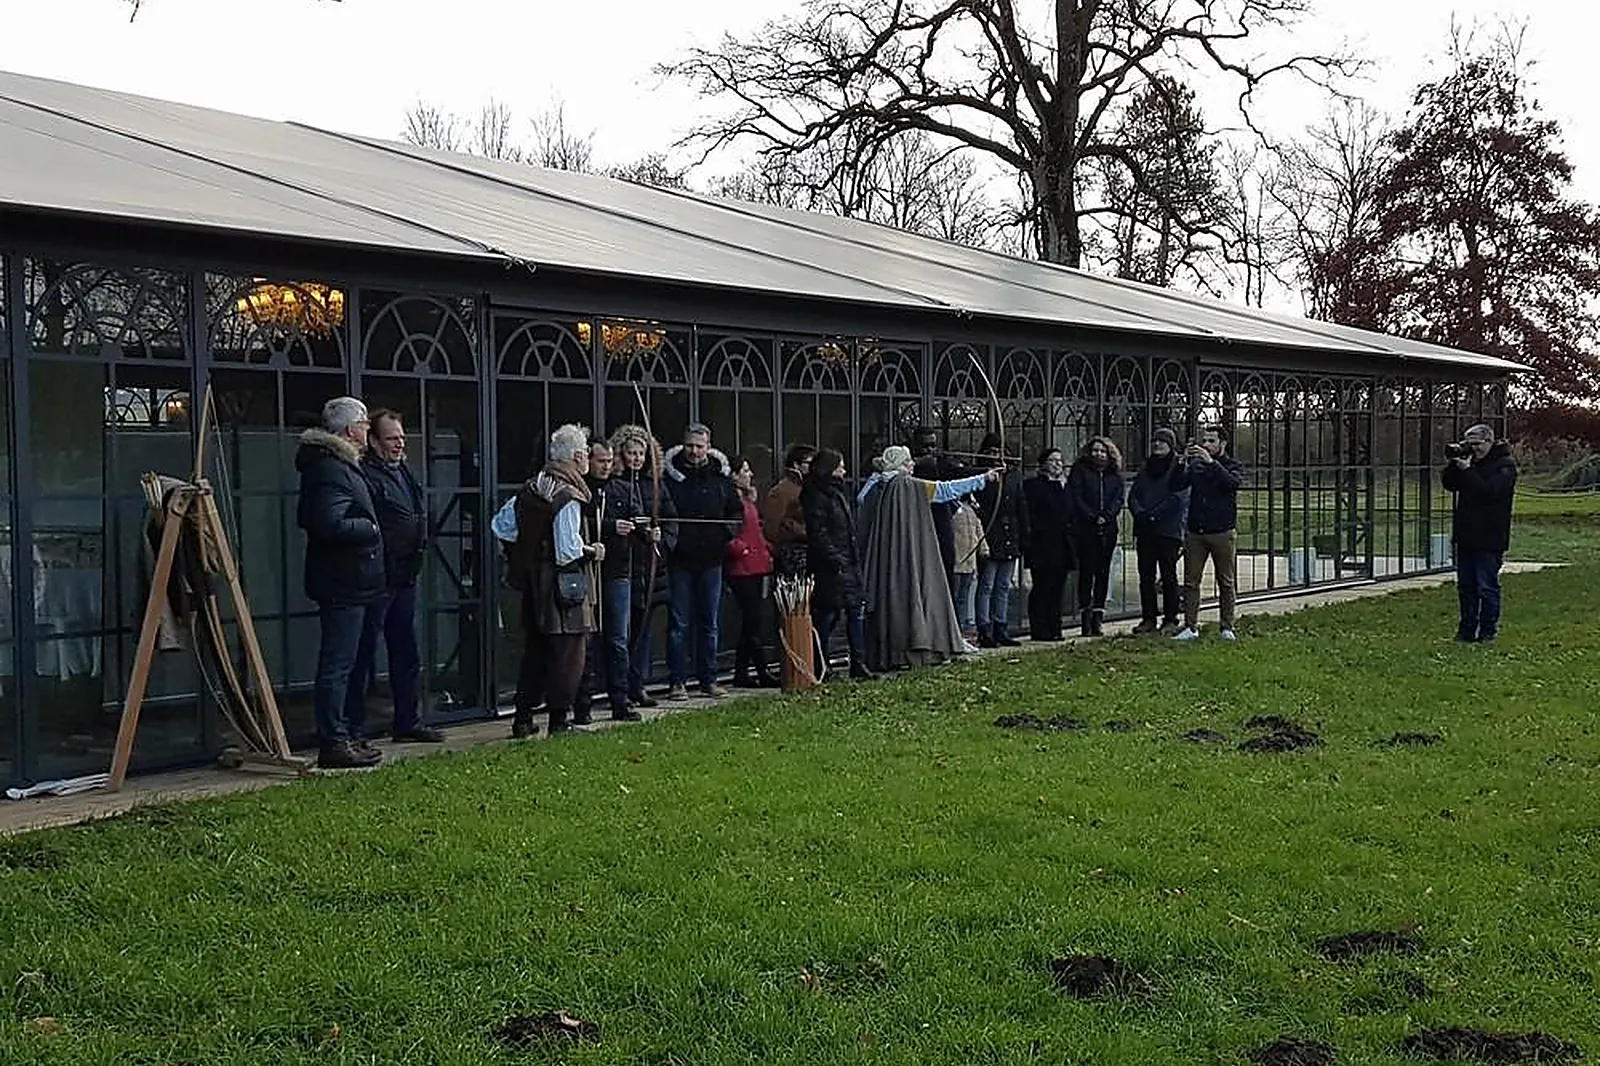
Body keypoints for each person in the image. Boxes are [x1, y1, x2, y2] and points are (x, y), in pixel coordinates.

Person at [295, 396, 384, 769]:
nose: (367, 430)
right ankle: (333, 739)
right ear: (350, 430)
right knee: (338, 663)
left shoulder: (340, 464)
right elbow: (325, 523)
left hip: (353, 578)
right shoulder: (330, 468)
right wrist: (371, 528)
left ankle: (346, 734)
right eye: (364, 424)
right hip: (342, 580)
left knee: (349, 662)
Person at [347, 409, 444, 746]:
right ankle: (353, 729)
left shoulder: (403, 470)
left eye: (402, 437)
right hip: (379, 578)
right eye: (391, 438)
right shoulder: (365, 475)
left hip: (406, 575)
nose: (399, 444)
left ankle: (408, 721)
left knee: (407, 653)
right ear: (373, 441)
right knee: (363, 653)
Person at [857, 445, 999, 671]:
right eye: (908, 462)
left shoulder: (879, 484)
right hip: (905, 559)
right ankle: (911, 650)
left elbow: (862, 499)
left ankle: (889, 654)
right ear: (901, 465)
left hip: (887, 560)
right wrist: (982, 478)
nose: (912, 465)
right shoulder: (905, 485)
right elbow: (944, 490)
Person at [504, 424, 604, 735]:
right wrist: (593, 550)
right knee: (568, 653)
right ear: (577, 456)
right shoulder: (567, 492)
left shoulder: (533, 486)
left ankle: (522, 718)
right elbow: (567, 550)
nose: (587, 458)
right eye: (586, 453)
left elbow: (503, 527)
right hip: (563, 586)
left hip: (535, 582)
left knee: (535, 650)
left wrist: (530, 553)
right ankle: (559, 721)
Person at [661, 423, 743, 700]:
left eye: (699, 446)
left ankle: (709, 679)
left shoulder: (721, 478)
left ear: (708, 447)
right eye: (690, 446)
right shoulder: (670, 476)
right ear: (683, 445)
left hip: (712, 559)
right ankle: (677, 682)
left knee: (709, 623)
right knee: (679, 624)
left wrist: (724, 535)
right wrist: (673, 541)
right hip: (681, 560)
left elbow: (735, 511)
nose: (694, 452)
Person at [597, 424, 667, 718]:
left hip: (634, 568)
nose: (636, 458)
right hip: (608, 566)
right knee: (609, 636)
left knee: (629, 634)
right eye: (630, 453)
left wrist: (651, 535)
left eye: (642, 453)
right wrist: (613, 528)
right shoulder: (605, 486)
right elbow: (593, 521)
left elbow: (645, 521)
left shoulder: (645, 486)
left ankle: (626, 693)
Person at [1441, 423, 1518, 643]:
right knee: (1466, 587)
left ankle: (1487, 632)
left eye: (1477, 444)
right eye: (1469, 444)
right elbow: (1449, 484)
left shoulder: (1504, 466)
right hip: (1466, 534)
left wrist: (1469, 471)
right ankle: (1466, 631)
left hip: (1490, 536)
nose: (1473, 449)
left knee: (1486, 586)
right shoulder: (1470, 463)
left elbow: (1489, 493)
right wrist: (1455, 466)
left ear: (1489, 441)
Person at [801, 448, 872, 680]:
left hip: (846, 560)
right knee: (827, 616)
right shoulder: (816, 495)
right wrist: (836, 560)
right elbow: (818, 533)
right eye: (840, 466)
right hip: (830, 566)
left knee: (855, 612)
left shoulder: (837, 493)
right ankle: (821, 664)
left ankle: (858, 663)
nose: (844, 471)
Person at [1174, 426, 1245, 642]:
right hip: (1196, 532)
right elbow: (1176, 484)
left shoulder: (1231, 466)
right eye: (1204, 440)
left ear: (1223, 444)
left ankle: (1226, 626)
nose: (1206, 445)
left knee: (1225, 581)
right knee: (1191, 582)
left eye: (1211, 441)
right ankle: (1190, 626)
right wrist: (1182, 463)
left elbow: (1232, 484)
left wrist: (1212, 463)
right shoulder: (1196, 466)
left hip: (1222, 531)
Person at [1128, 428, 1190, 634]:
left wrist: (1155, 515)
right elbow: (1133, 495)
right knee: (1145, 576)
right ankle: (1148, 618)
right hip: (1145, 530)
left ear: (1171, 445)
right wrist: (1140, 513)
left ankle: (1170, 618)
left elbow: (1179, 498)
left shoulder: (1178, 469)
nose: (1157, 445)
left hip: (1167, 531)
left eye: (1162, 442)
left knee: (1168, 575)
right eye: (1154, 441)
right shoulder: (1145, 469)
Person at [572, 439, 615, 725]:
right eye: (600, 460)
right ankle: (578, 704)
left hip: (611, 570)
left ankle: (613, 696)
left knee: (609, 637)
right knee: (581, 641)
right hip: (580, 574)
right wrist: (591, 548)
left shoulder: (612, 489)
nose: (605, 467)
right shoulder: (575, 493)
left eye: (610, 462)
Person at [727, 455, 778, 687]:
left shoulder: (748, 499)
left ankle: (743, 671)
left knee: (753, 621)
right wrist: (743, 550)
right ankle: (759, 668)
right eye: (745, 471)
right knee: (752, 619)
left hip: (757, 564)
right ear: (734, 475)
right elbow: (728, 531)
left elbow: (754, 529)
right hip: (742, 567)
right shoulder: (731, 500)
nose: (750, 475)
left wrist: (767, 549)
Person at [973, 432, 1028, 647]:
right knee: (987, 584)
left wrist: (1023, 536)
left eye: (1001, 452)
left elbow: (1020, 506)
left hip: (1009, 533)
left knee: (1003, 584)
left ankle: (1001, 626)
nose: (997, 457)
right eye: (992, 452)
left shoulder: (1013, 475)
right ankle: (983, 629)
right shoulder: (981, 474)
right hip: (989, 532)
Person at [1067, 436, 1126, 636]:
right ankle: (1085, 615)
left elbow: (1118, 499)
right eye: (1095, 451)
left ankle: (1098, 617)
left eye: (1102, 451)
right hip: (1086, 529)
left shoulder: (1114, 475)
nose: (1098, 454)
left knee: (1103, 573)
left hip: (1107, 530)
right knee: (1086, 573)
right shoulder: (1080, 471)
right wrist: (1092, 517)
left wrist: (1106, 516)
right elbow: (1076, 497)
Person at [911, 426, 976, 593]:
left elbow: (961, 473)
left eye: (933, 445)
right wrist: (920, 464)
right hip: (916, 523)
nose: (929, 450)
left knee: (946, 567)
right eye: (925, 446)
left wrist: (987, 472)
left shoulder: (940, 463)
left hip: (940, 523)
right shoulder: (908, 467)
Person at [1022, 447, 1075, 641]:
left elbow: (1068, 510)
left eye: (1060, 461)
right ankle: (1040, 628)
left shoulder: (1065, 486)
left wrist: (1061, 486)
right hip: (1041, 544)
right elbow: (1035, 513)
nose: (1057, 465)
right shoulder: (1033, 485)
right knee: (1042, 587)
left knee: (1057, 589)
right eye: (1053, 460)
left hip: (1061, 544)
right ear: (1043, 463)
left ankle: (1055, 627)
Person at [762, 444, 816, 579]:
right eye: (809, 463)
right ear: (796, 465)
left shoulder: (809, 487)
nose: (813, 467)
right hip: (792, 551)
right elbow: (771, 526)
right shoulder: (783, 490)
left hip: (809, 548)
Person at [950, 495, 983, 642]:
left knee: (963, 596)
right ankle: (955, 628)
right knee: (955, 597)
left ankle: (962, 627)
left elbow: (978, 531)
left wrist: (984, 548)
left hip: (970, 562)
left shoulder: (971, 510)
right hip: (957, 560)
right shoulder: (953, 509)